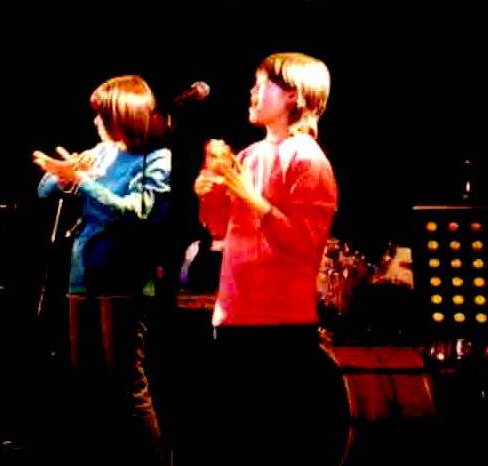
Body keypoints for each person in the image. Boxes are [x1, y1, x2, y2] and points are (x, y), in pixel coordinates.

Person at [192, 52, 349, 466]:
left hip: (280, 326)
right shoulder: (248, 156)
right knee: (240, 442)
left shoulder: (308, 160)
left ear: (292, 96)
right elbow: (219, 229)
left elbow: (304, 242)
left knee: (275, 443)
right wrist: (209, 191)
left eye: (262, 85)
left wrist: (248, 196)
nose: (252, 92)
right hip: (236, 317)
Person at [33, 75, 170, 465]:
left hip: (124, 277)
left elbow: (134, 211)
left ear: (121, 116)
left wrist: (83, 182)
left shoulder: (155, 158)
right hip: (83, 274)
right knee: (86, 379)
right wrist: (64, 172)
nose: (95, 122)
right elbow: (44, 191)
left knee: (126, 382)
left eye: (102, 115)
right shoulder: (100, 152)